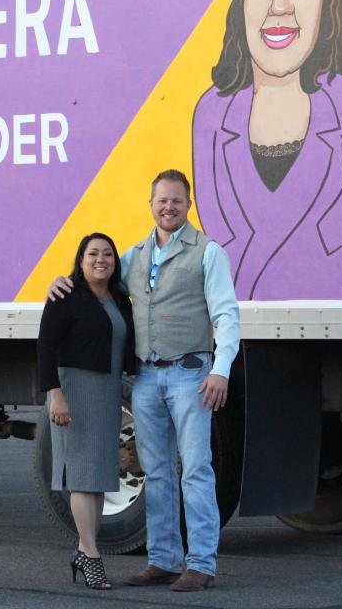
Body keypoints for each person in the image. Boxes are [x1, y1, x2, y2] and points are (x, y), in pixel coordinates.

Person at [48, 170, 240, 592]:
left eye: (176, 201)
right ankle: (164, 561)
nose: (168, 207)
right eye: (161, 201)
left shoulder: (208, 253)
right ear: (150, 204)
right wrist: (62, 281)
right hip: (148, 377)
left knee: (196, 471)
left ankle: (202, 563)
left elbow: (226, 315)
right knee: (156, 471)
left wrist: (220, 368)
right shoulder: (133, 255)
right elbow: (97, 282)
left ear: (188, 205)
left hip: (192, 374)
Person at [193, 0, 342, 300]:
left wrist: (310, 249)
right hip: (240, 294)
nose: (279, 6)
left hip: (322, 290)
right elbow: (214, 215)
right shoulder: (213, 109)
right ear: (241, 1)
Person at [36, 232, 137, 591]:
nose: (100, 259)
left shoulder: (119, 298)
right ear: (80, 261)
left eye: (107, 254)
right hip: (75, 392)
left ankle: (83, 551)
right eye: (92, 253)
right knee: (81, 476)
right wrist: (56, 397)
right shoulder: (65, 296)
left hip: (107, 392)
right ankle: (92, 557)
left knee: (97, 479)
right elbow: (45, 348)